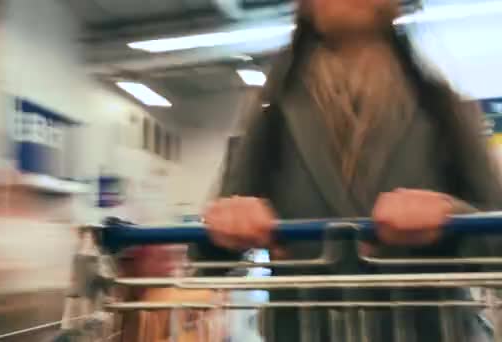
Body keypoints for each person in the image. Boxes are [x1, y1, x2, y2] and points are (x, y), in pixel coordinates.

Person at [197, 0, 502, 341]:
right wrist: (227, 223)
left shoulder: (442, 106)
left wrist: (453, 217)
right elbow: (206, 259)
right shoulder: (271, 113)